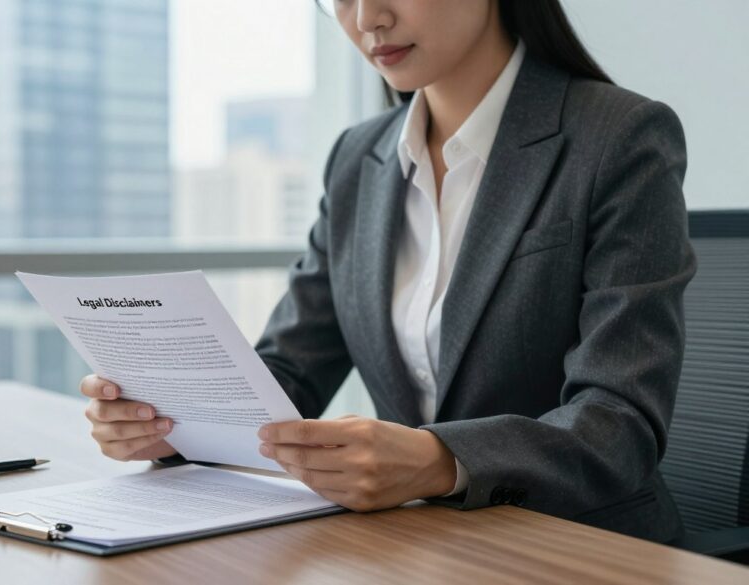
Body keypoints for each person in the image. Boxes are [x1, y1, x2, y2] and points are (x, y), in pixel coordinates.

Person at [78, 0, 695, 543]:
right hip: (418, 542)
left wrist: (438, 461)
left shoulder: (619, 138)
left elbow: (619, 422)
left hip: (580, 544)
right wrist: (175, 426)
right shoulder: (357, 159)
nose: (368, 18)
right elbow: (292, 370)